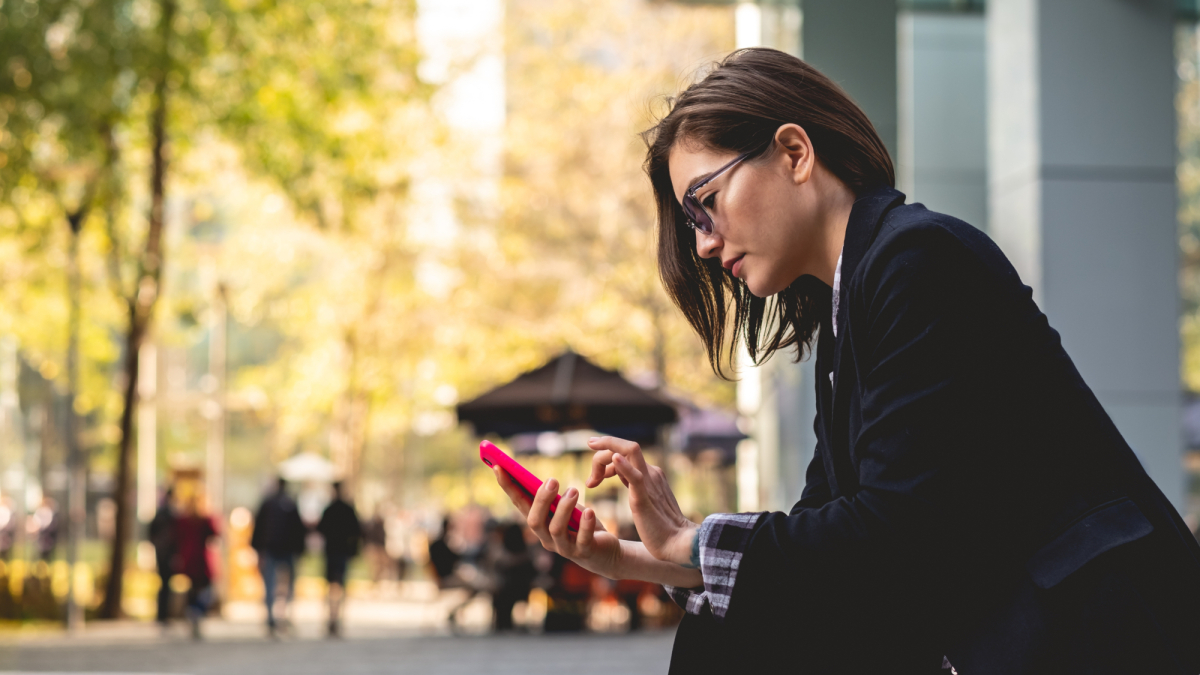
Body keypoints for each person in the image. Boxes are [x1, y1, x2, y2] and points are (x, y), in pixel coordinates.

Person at [493, 48, 1200, 674]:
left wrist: (690, 540)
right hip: (1017, 633)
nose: (704, 244)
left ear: (794, 153)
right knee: (729, 631)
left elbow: (889, 534)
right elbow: (826, 537)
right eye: (693, 223)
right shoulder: (852, 310)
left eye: (704, 204)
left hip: (1095, 637)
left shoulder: (918, 260)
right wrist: (629, 559)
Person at [251, 477, 307, 637]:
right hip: (286, 549)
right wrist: (300, 550)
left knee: (270, 583)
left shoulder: (268, 503)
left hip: (271, 548)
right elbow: (299, 529)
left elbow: (258, 526)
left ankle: (271, 617)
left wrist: (257, 548)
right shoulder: (290, 503)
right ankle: (284, 615)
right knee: (287, 584)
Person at [316, 481, 361, 637]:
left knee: (331, 587)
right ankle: (337, 617)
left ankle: (331, 617)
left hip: (332, 552)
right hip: (341, 552)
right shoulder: (348, 509)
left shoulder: (329, 509)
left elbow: (320, 529)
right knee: (340, 586)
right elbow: (357, 531)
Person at [173, 494, 218, 640]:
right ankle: (196, 612)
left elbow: (177, 537)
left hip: (188, 558)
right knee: (205, 589)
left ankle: (193, 612)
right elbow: (215, 534)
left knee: (192, 589)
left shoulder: (183, 520)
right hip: (201, 558)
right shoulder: (204, 519)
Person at [490, 522, 535, 632]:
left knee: (500, 599)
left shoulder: (501, 555)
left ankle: (500, 625)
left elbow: (493, 570)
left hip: (504, 591)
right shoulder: (527, 553)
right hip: (522, 589)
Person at [148, 487, 178, 628]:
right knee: (166, 584)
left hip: (162, 551)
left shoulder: (162, 513)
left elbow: (150, 532)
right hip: (167, 552)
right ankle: (163, 615)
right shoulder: (171, 515)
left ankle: (162, 615)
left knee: (164, 584)